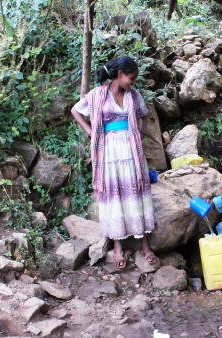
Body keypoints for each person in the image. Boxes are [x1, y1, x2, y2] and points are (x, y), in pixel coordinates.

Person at [71, 56, 157, 269]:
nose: (133, 82)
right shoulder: (98, 94)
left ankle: (144, 245)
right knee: (114, 193)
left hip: (131, 151)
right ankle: (117, 246)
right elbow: (76, 110)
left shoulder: (134, 96)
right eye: (131, 78)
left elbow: (144, 115)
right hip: (108, 151)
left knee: (137, 191)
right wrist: (92, 133)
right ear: (120, 74)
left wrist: (141, 131)